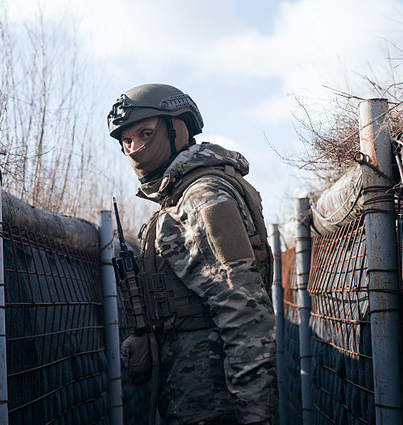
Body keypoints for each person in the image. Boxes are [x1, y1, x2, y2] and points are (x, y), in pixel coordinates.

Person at [108, 83, 277, 425]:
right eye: (126, 141)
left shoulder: (202, 197)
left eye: (145, 134)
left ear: (177, 129)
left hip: (214, 400)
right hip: (194, 395)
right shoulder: (178, 197)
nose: (134, 148)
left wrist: (255, 415)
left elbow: (245, 311)